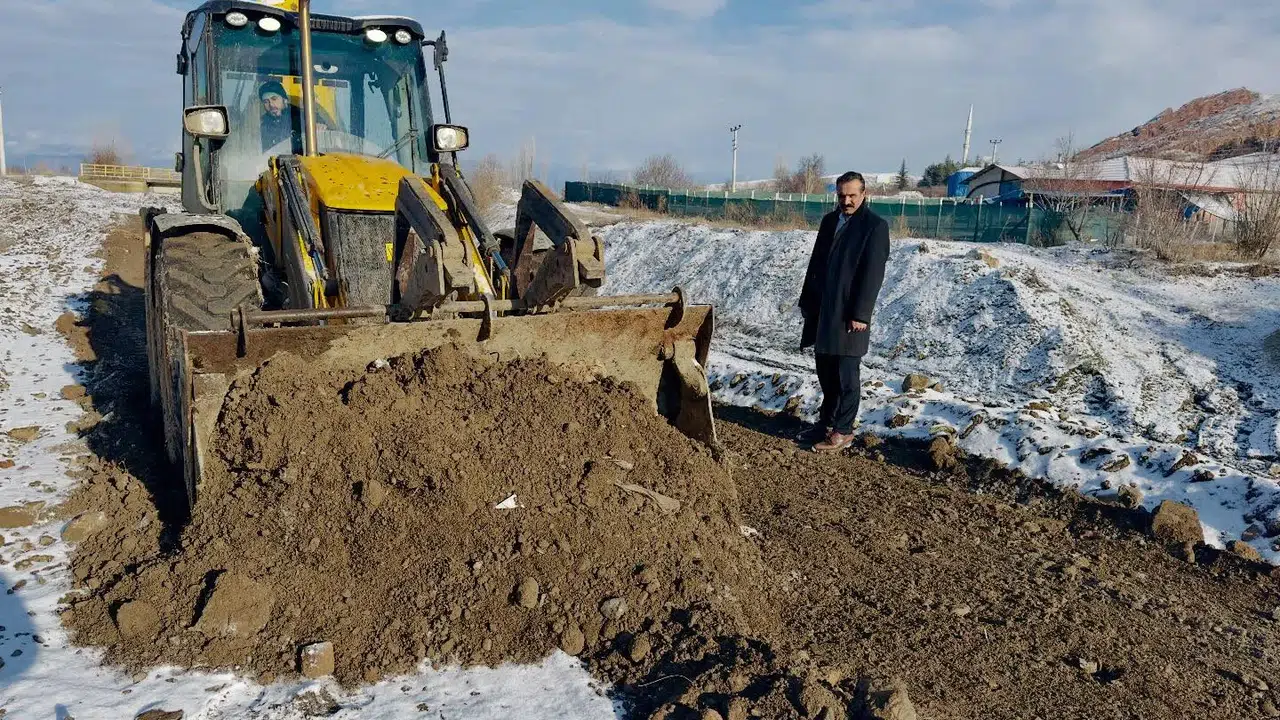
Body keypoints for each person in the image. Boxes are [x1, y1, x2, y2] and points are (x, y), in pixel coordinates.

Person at [796, 170, 891, 452]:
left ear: (864, 194)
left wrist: (861, 314)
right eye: (841, 195)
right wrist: (807, 301)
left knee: (847, 374)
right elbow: (815, 265)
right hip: (824, 310)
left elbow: (872, 274)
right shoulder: (829, 222)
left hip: (849, 314)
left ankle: (844, 430)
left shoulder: (874, 227)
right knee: (825, 371)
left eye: (852, 195)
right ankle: (825, 424)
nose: (846, 200)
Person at [258, 80, 303, 153]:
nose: (271, 105)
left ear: (285, 100)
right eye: (266, 102)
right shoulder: (262, 124)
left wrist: (319, 126)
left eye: (274, 99)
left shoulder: (302, 117)